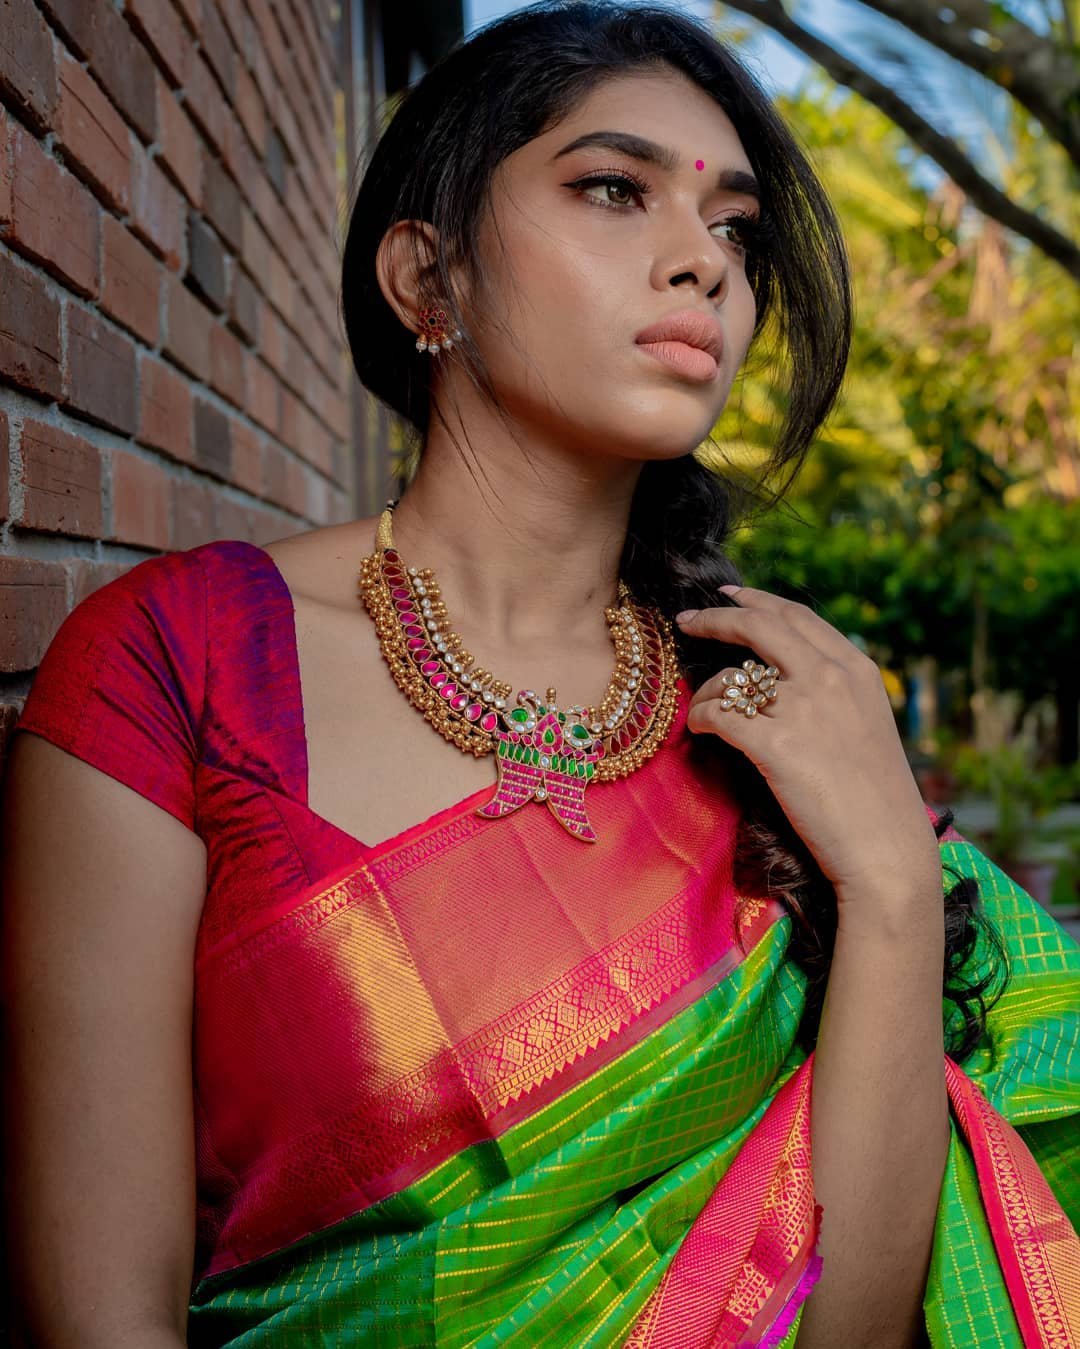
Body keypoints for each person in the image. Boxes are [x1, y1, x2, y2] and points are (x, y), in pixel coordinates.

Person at [3, 3, 1077, 1345]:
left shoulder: (783, 705)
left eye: (735, 229)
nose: (704, 263)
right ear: (425, 278)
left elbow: (847, 1325)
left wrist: (898, 891)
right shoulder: (175, 668)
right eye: (615, 191)